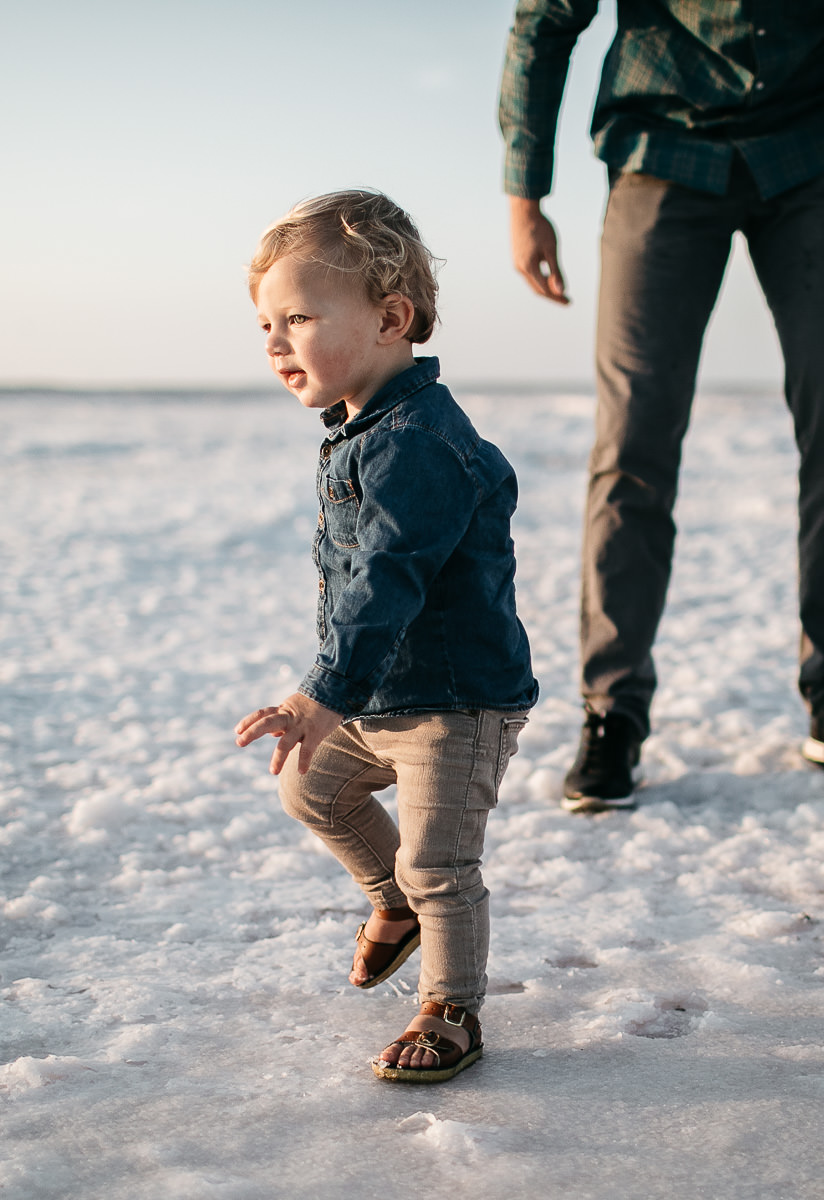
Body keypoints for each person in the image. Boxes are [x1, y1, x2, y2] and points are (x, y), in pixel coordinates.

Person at [498, 1, 824, 811]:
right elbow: (546, 17)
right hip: (661, 144)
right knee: (634, 434)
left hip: (819, 153)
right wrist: (523, 195)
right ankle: (613, 710)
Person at [234, 190, 538, 1083]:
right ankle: (393, 906)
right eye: (265, 323)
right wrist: (336, 693)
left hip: (454, 700)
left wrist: (321, 692)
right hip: (383, 689)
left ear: (390, 318)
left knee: (440, 859)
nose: (275, 342)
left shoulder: (416, 442)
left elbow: (389, 577)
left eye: (297, 317)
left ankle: (451, 1010)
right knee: (308, 786)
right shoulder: (359, 431)